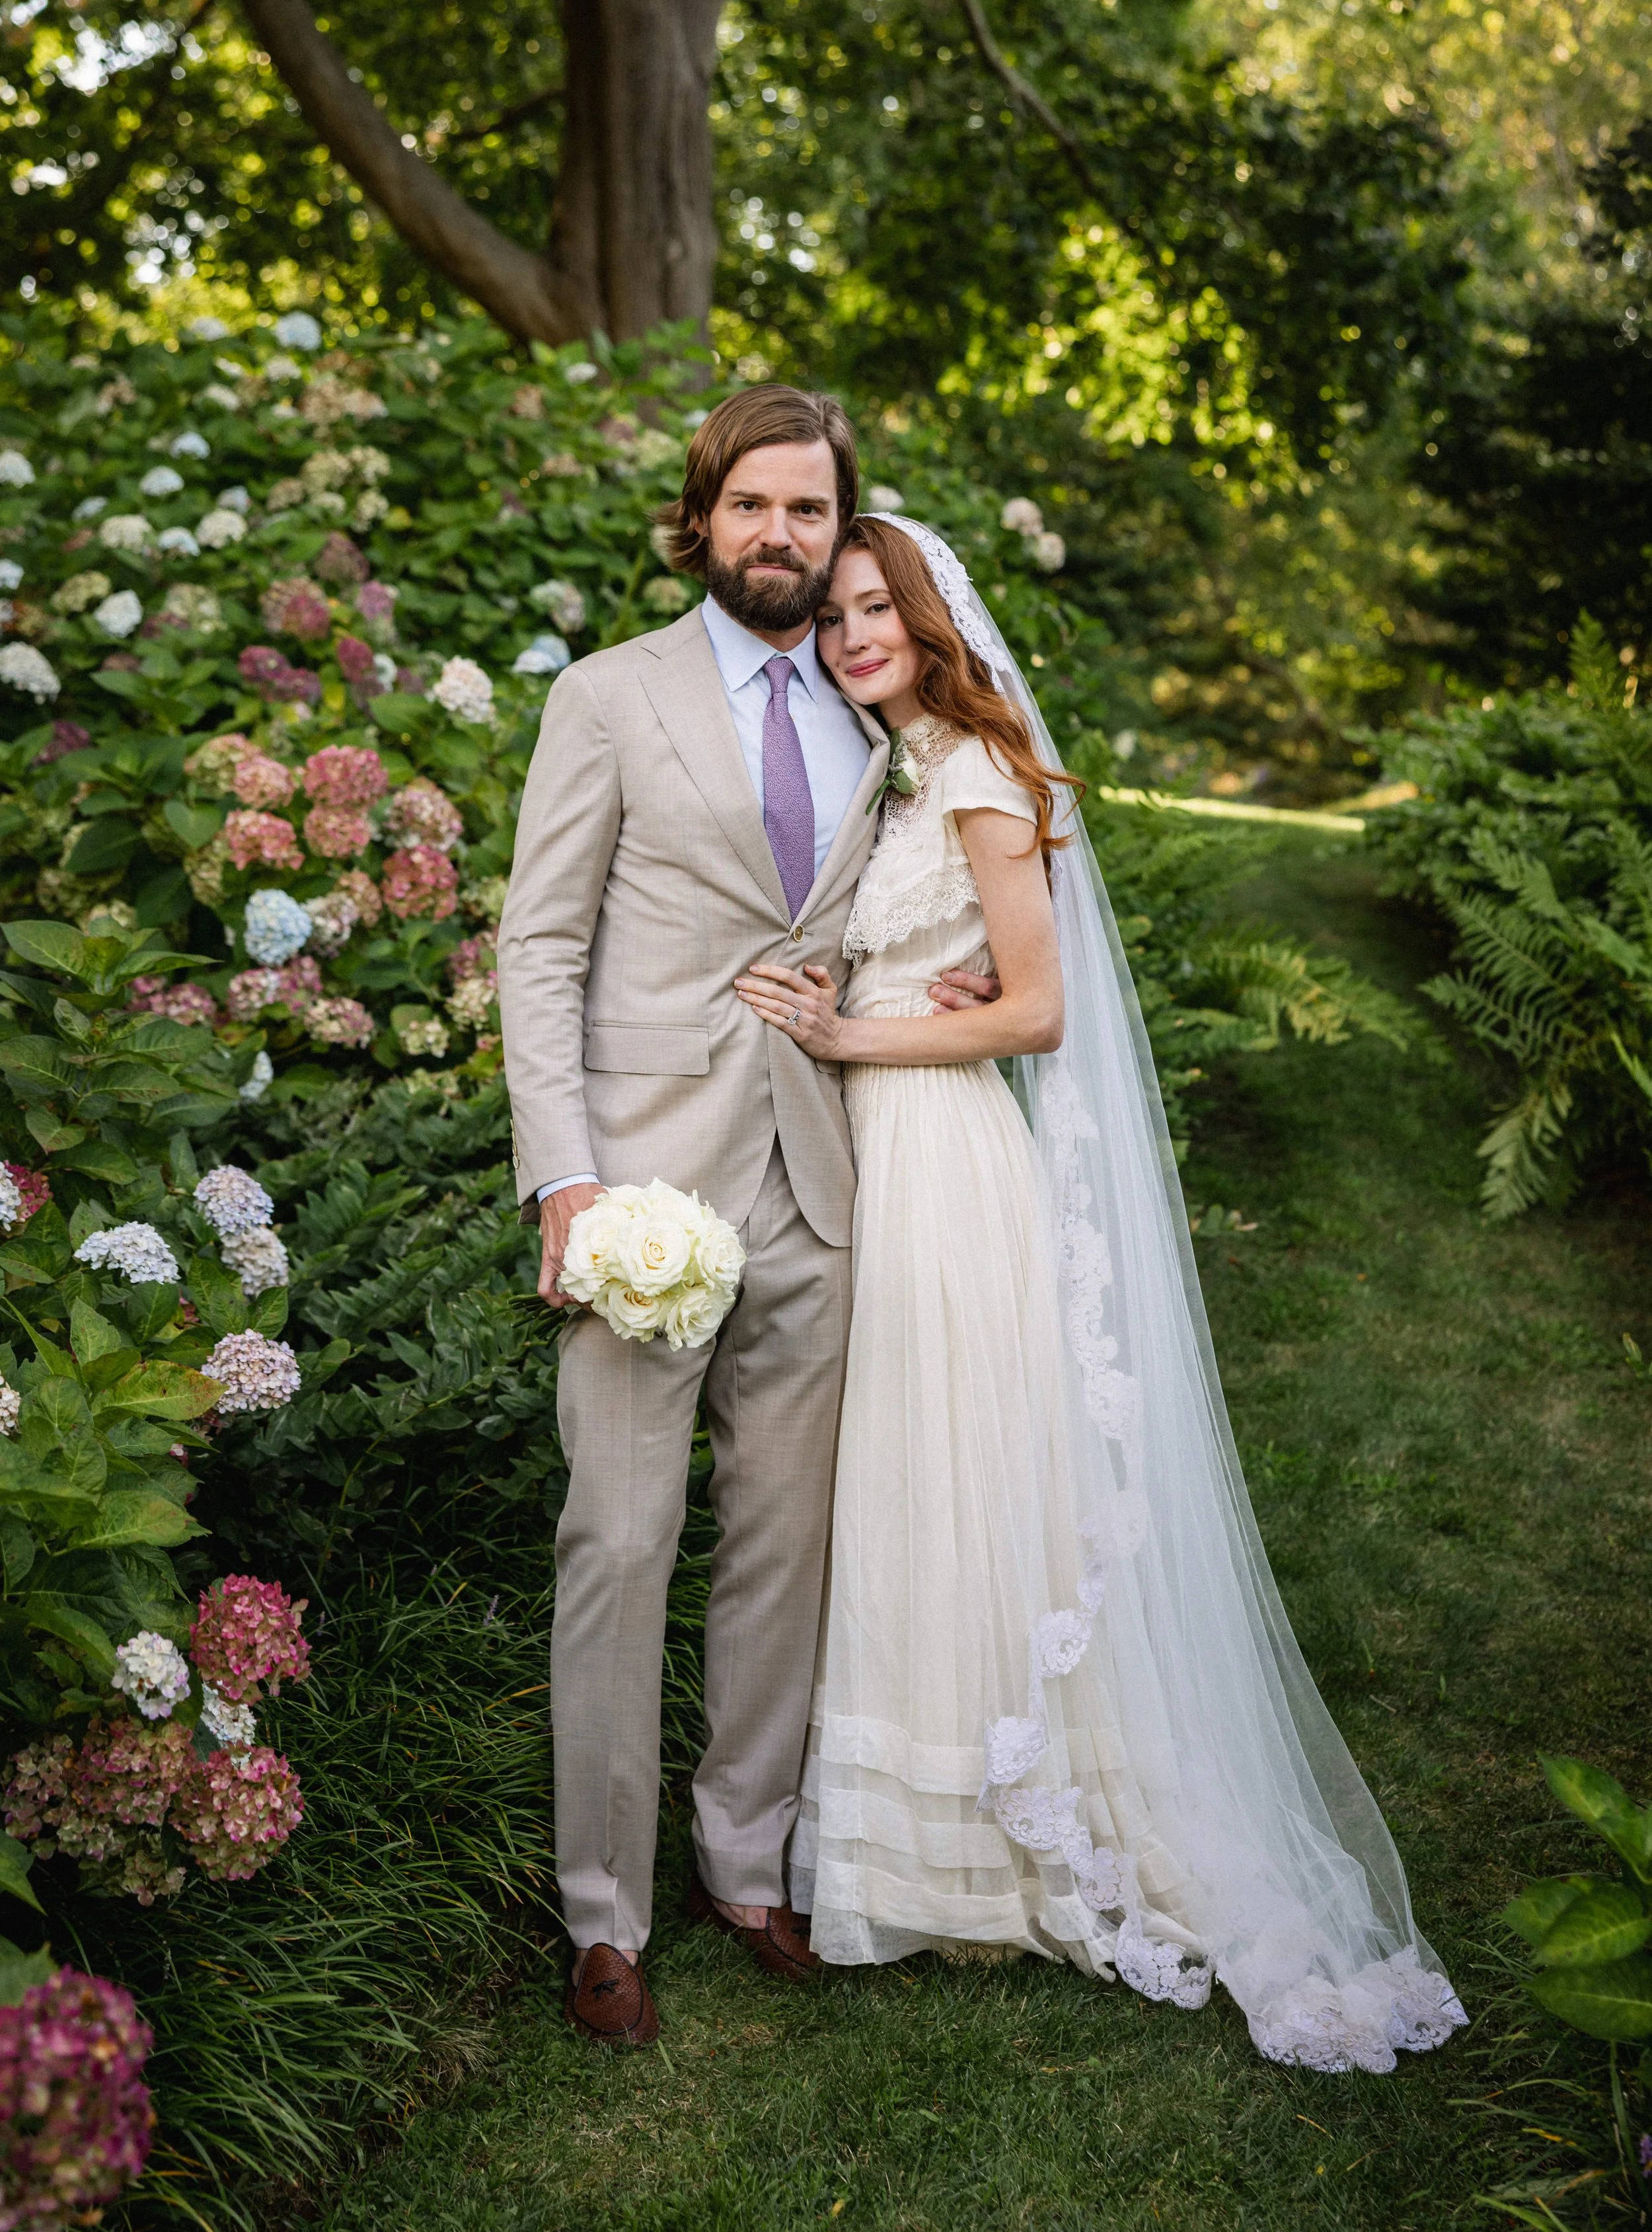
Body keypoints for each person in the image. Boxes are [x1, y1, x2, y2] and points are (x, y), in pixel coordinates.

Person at [734, 514, 1468, 2073]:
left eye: (884, 608)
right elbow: (969, 977)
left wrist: (857, 1035)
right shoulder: (905, 776)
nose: (857, 633)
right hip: (893, 1149)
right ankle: (915, 1853)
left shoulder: (986, 782)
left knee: (951, 1476)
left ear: (936, 624)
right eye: (843, 614)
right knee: (913, 1483)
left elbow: (1043, 1007)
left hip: (943, 1167)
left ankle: (996, 1842)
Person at [497, 390, 985, 2049]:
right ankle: (602, 1915)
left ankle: (747, 1862)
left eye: (808, 509)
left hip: (822, 1178)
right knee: (619, 1546)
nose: (779, 534)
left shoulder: (877, 707)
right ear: (702, 515)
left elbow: (904, 905)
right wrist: (563, 1179)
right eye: (751, 505)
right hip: (640, 1193)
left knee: (785, 1545)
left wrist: (948, 980)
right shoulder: (605, 696)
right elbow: (539, 948)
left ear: (837, 525)